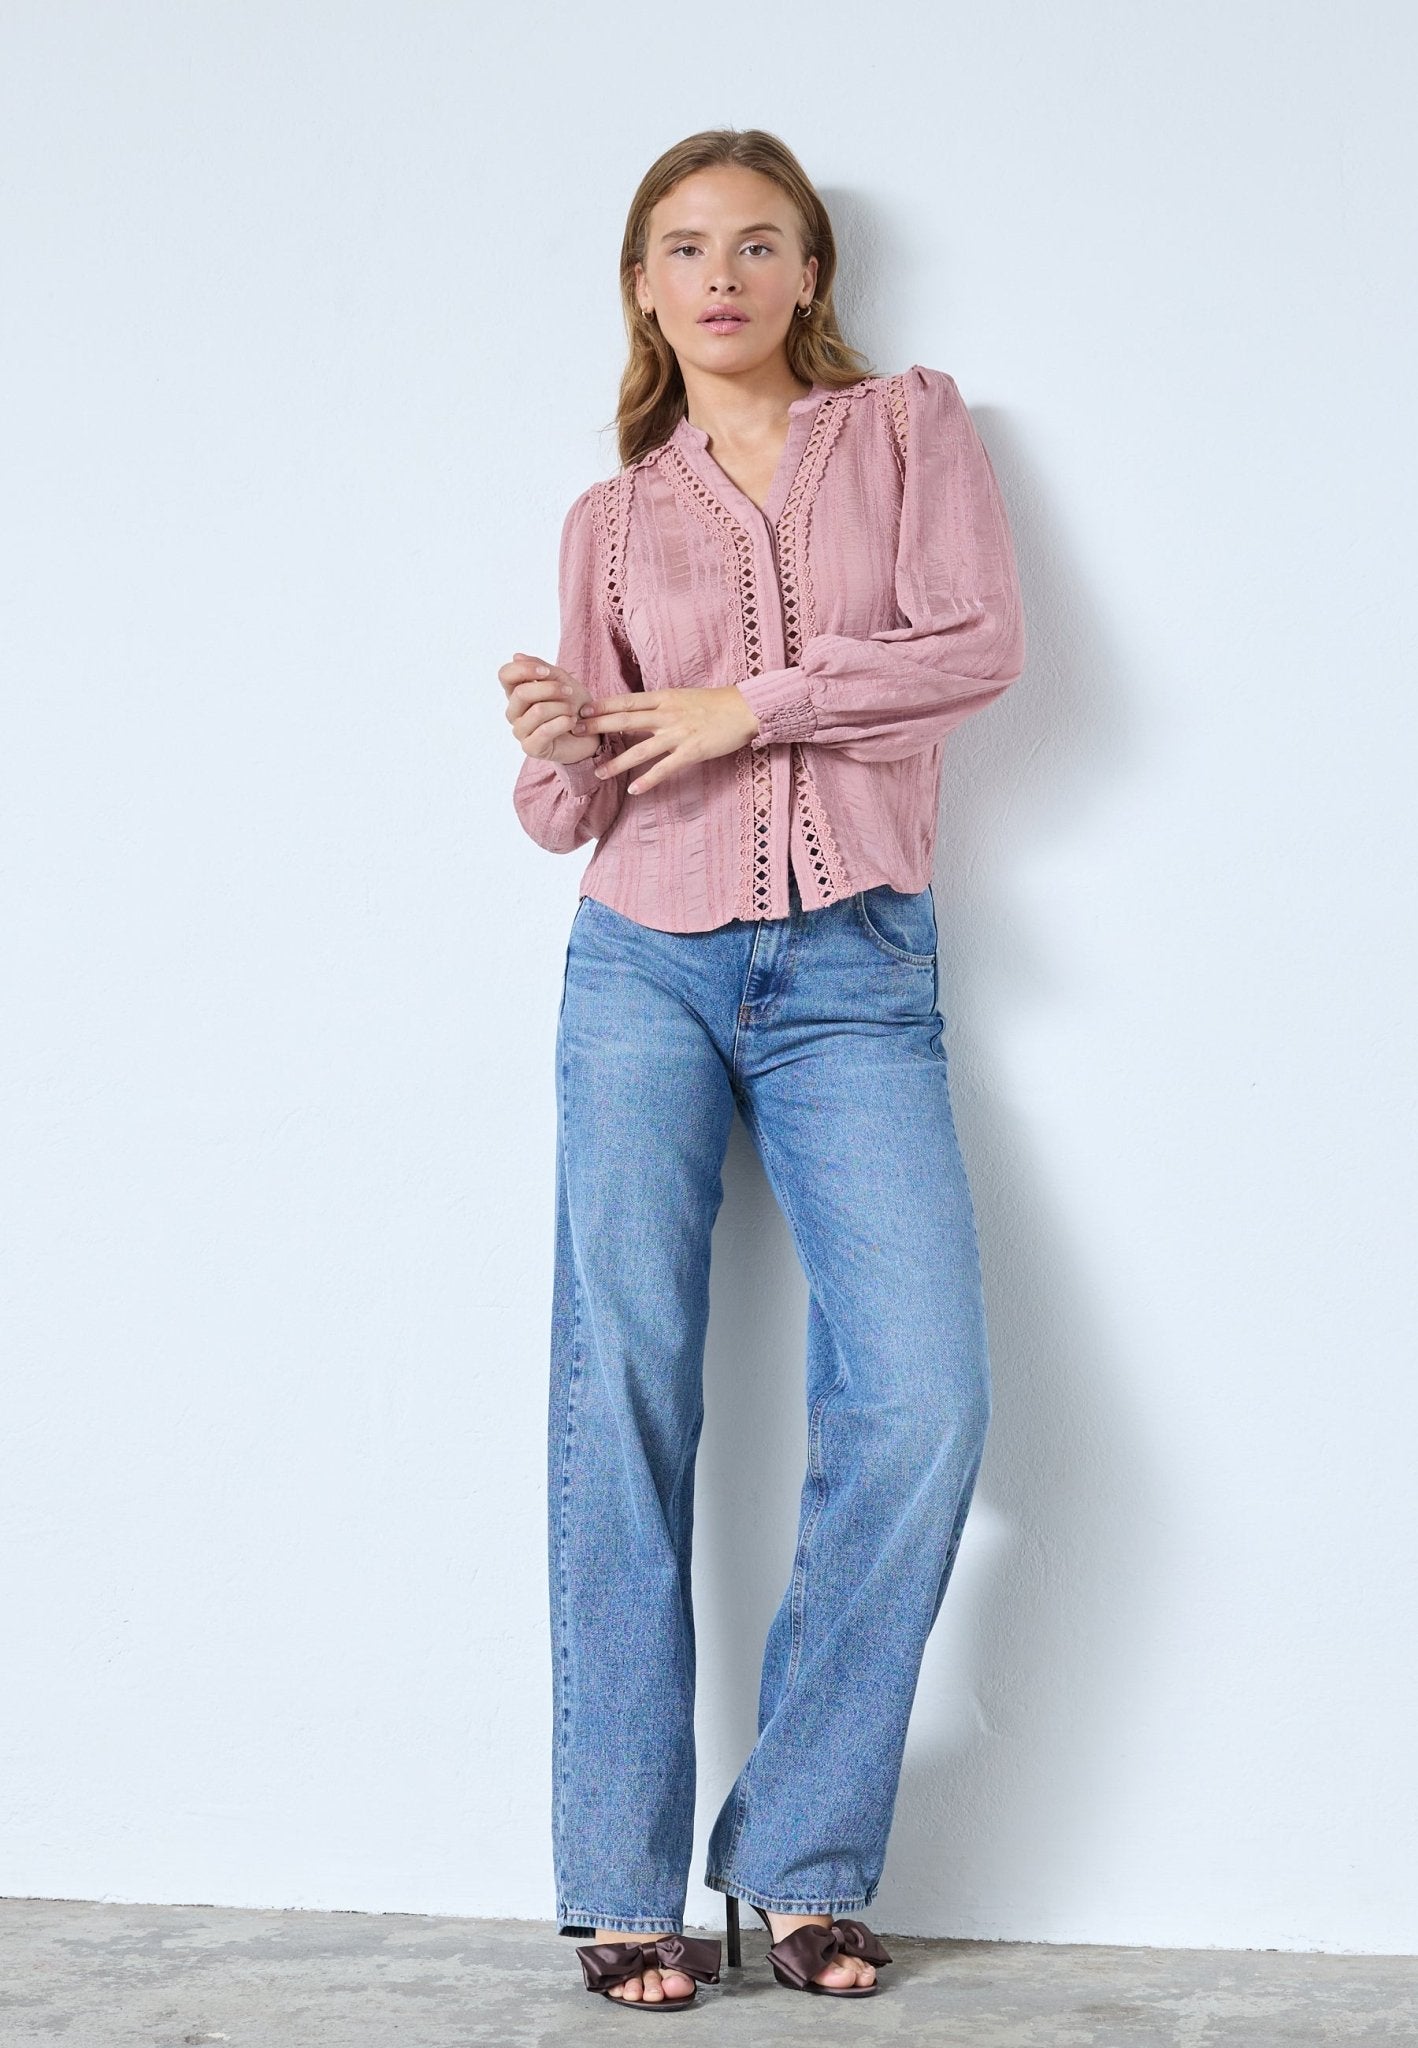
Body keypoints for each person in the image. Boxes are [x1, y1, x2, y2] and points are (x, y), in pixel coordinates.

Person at [500, 127, 1025, 2012]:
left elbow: (974, 647)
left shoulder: (908, 433)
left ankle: (800, 1851)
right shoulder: (610, 519)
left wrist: (759, 704)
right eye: (680, 248)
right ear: (642, 291)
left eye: (754, 242)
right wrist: (555, 742)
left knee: (924, 1397)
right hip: (640, 964)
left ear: (809, 272)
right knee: (620, 1399)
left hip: (856, 972)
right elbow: (568, 810)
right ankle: (617, 1882)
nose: (717, 274)